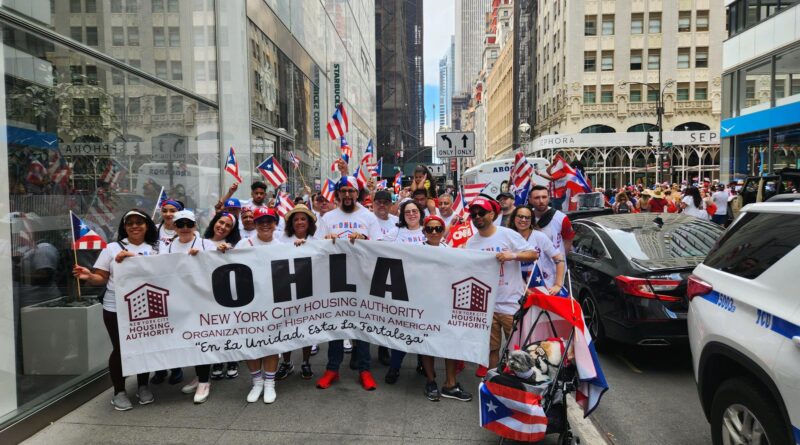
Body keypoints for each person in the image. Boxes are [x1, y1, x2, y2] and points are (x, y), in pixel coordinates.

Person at [72, 209, 160, 411]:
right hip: (115, 306)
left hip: (146, 305)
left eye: (139, 222)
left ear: (147, 226)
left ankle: (143, 386)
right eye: (130, 223)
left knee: (143, 346)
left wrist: (134, 258)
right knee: (120, 349)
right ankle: (119, 392)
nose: (135, 226)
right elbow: (101, 277)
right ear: (124, 227)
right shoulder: (111, 248)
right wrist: (88, 276)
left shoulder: (158, 248)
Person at [316, 176, 381, 391]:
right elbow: (315, 246)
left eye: (351, 190)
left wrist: (364, 239)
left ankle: (364, 370)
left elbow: (380, 247)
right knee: (336, 324)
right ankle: (332, 369)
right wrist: (325, 241)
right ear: (337, 194)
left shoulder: (368, 217)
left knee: (361, 324)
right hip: (335, 279)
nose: (347, 194)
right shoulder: (327, 217)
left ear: (357, 193)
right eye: (343, 190)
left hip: (361, 278)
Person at [465, 197, 538, 377]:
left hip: (510, 303)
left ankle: (523, 384)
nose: (477, 217)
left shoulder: (507, 234)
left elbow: (533, 254)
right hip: (487, 306)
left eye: (481, 213)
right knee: (492, 348)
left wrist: (511, 255)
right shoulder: (471, 243)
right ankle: (493, 383)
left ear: (492, 214)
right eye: (473, 214)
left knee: (518, 349)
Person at [417, 214, 473, 402]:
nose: (434, 232)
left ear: (443, 231)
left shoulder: (450, 250)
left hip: (446, 304)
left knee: (450, 343)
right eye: (430, 229)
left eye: (438, 229)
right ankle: (431, 381)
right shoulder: (414, 251)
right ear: (424, 231)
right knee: (427, 344)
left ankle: (450, 383)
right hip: (424, 303)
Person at [234, 207, 283, 403]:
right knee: (250, 342)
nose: (265, 224)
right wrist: (221, 252)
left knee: (271, 342)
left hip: (272, 301)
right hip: (248, 302)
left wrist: (301, 246)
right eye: (260, 220)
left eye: (269, 221)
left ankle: (270, 383)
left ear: (275, 224)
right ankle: (257, 382)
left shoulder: (281, 245)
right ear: (254, 223)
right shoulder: (243, 243)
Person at [381, 200, 426, 385]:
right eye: (408, 212)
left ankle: (423, 363)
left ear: (420, 213)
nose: (412, 214)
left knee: (424, 328)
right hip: (401, 287)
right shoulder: (396, 231)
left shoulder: (428, 229)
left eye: (415, 211)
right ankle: (395, 366)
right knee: (401, 328)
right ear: (402, 215)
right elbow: (377, 248)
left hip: (425, 288)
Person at [275, 204, 317, 381]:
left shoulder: (317, 239)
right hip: (286, 290)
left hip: (310, 290)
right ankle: (286, 362)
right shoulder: (281, 239)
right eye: (296, 219)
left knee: (306, 328)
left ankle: (306, 362)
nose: (300, 222)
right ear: (291, 222)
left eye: (303, 219)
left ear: (309, 222)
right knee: (286, 328)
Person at [203, 212, 242, 381]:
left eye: (228, 226)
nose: (222, 227)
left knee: (229, 327)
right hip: (205, 293)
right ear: (214, 222)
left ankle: (232, 360)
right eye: (221, 222)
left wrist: (229, 251)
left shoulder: (234, 245)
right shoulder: (201, 242)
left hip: (226, 292)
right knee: (213, 329)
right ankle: (217, 361)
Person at [507, 205, 565, 293]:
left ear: (531, 220)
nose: (523, 220)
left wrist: (558, 285)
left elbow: (559, 259)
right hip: (520, 289)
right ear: (513, 218)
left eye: (527, 217)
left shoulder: (540, 236)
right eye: (520, 216)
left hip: (545, 287)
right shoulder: (508, 238)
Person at [528, 185, 575, 260]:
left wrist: (560, 260)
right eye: (537, 198)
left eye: (544, 197)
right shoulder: (525, 217)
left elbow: (568, 240)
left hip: (556, 268)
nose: (541, 201)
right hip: (534, 267)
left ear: (549, 198)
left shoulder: (561, 218)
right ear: (530, 200)